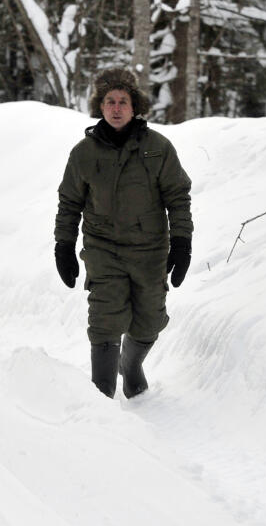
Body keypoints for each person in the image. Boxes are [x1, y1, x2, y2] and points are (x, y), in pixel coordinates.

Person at [54, 67, 193, 399]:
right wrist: (64, 244)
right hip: (103, 249)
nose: (116, 108)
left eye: (123, 102)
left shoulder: (158, 148)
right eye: (109, 101)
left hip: (149, 251)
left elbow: (177, 197)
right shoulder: (83, 153)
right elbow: (70, 202)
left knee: (149, 321)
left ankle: (129, 367)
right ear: (100, 107)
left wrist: (182, 241)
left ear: (135, 107)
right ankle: (100, 403)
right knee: (105, 318)